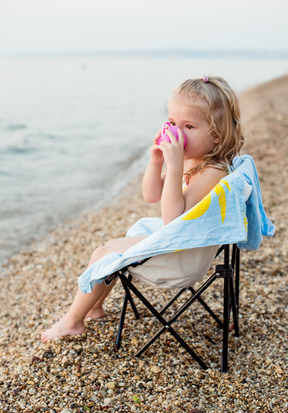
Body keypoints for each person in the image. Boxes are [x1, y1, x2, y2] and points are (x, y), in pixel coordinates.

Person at [41, 75, 244, 342]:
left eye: (189, 126)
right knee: (110, 246)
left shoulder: (212, 173)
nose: (178, 132)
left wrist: (174, 167)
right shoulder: (195, 161)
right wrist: (156, 162)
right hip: (181, 244)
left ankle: (72, 322)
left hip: (183, 261)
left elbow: (173, 220)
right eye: (172, 123)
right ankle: (94, 306)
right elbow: (151, 195)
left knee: (104, 254)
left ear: (217, 136)